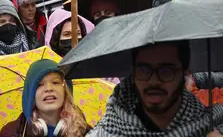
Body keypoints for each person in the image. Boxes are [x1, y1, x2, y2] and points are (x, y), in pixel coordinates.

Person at [87, 42, 223, 136]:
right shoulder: (105, 132)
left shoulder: (210, 126)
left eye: (166, 71)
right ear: (133, 74)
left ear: (185, 75)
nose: (153, 81)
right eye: (143, 70)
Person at [0, 59, 91, 137]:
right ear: (31, 95)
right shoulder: (12, 133)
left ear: (66, 91)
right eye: (39, 85)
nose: (49, 89)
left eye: (55, 82)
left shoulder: (87, 132)